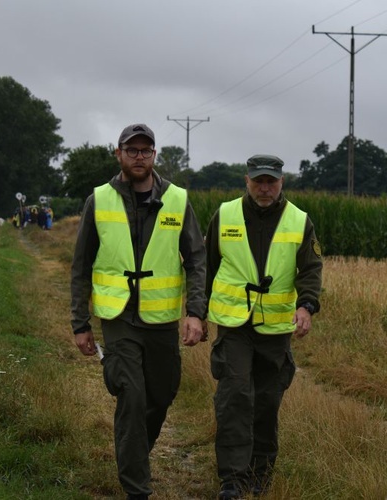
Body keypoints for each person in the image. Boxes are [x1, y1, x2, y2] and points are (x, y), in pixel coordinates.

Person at [70, 123, 207, 500]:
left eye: (146, 150)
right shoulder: (99, 199)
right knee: (131, 394)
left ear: (154, 156)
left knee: (161, 394)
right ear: (119, 154)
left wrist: (195, 312)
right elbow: (81, 265)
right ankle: (136, 489)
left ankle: (133, 457)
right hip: (118, 317)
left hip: (161, 320)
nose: (139, 157)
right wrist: (80, 323)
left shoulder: (177, 199)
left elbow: (196, 258)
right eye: (132, 150)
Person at [204, 154, 323, 499]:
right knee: (235, 396)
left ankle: (260, 474)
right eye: (259, 181)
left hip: (275, 329)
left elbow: (312, 268)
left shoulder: (299, 221)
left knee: (267, 401)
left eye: (271, 181)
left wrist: (307, 305)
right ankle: (231, 479)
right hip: (234, 324)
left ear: (281, 182)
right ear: (247, 180)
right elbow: (207, 265)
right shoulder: (224, 215)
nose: (265, 188)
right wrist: (195, 312)